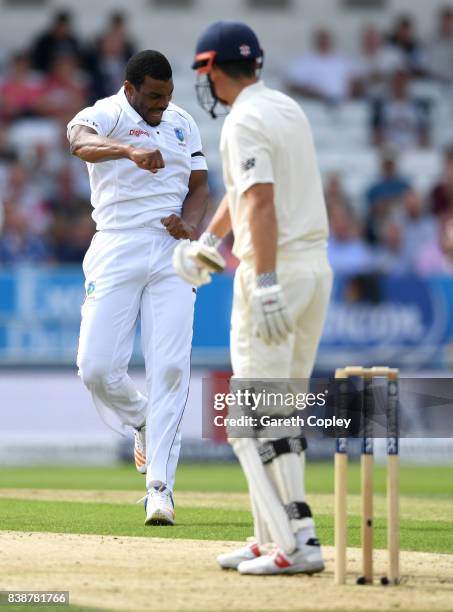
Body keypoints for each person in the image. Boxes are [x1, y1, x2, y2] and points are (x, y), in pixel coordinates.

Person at [174, 21, 332, 575]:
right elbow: (244, 194)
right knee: (279, 411)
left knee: (249, 421)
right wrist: (211, 240)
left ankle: (297, 543)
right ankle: (273, 536)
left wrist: (262, 281)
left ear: (212, 69)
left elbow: (260, 203)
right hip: (314, 271)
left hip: (277, 271)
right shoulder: (285, 107)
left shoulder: (242, 120)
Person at [67, 50, 208, 526]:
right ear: (130, 88)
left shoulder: (183, 121)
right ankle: (145, 421)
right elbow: (77, 140)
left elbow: (200, 183)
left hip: (171, 253)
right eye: (152, 97)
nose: (160, 107)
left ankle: (160, 491)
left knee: (169, 367)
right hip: (117, 244)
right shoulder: (107, 112)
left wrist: (190, 223)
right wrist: (127, 149)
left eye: (166, 97)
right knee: (95, 367)